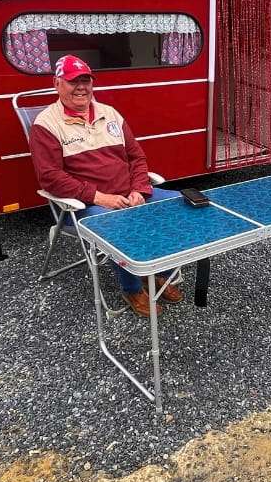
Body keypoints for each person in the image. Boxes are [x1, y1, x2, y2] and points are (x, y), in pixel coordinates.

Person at [29, 54, 183, 317]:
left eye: (86, 80)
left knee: (179, 203)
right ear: (57, 84)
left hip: (129, 194)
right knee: (120, 225)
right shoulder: (46, 124)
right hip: (84, 206)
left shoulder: (109, 113)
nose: (81, 87)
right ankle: (132, 287)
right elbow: (50, 177)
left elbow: (136, 157)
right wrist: (100, 197)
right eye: (73, 81)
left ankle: (160, 271)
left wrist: (139, 189)